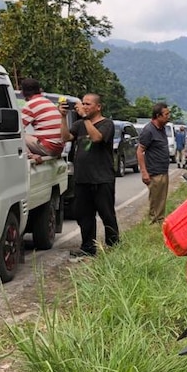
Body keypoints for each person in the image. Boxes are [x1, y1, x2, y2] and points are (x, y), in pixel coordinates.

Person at [59, 93, 119, 259]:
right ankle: (88, 247)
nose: (84, 106)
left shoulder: (107, 124)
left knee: (107, 214)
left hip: (102, 178)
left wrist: (85, 118)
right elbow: (65, 137)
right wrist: (63, 118)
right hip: (82, 178)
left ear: (98, 107)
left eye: (88, 104)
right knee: (84, 215)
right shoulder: (78, 125)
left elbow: (97, 138)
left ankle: (114, 246)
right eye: (83, 104)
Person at [136, 102, 172, 224]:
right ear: (158, 116)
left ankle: (160, 221)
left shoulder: (161, 129)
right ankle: (153, 222)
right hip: (154, 172)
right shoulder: (149, 130)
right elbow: (140, 151)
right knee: (155, 200)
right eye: (166, 114)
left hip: (163, 170)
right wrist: (144, 172)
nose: (168, 116)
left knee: (161, 199)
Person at [20, 78, 64, 161]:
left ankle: (30, 155)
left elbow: (18, 129)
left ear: (23, 92)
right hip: (59, 148)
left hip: (48, 146)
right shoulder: (48, 102)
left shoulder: (30, 105)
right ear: (39, 90)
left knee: (16, 135)